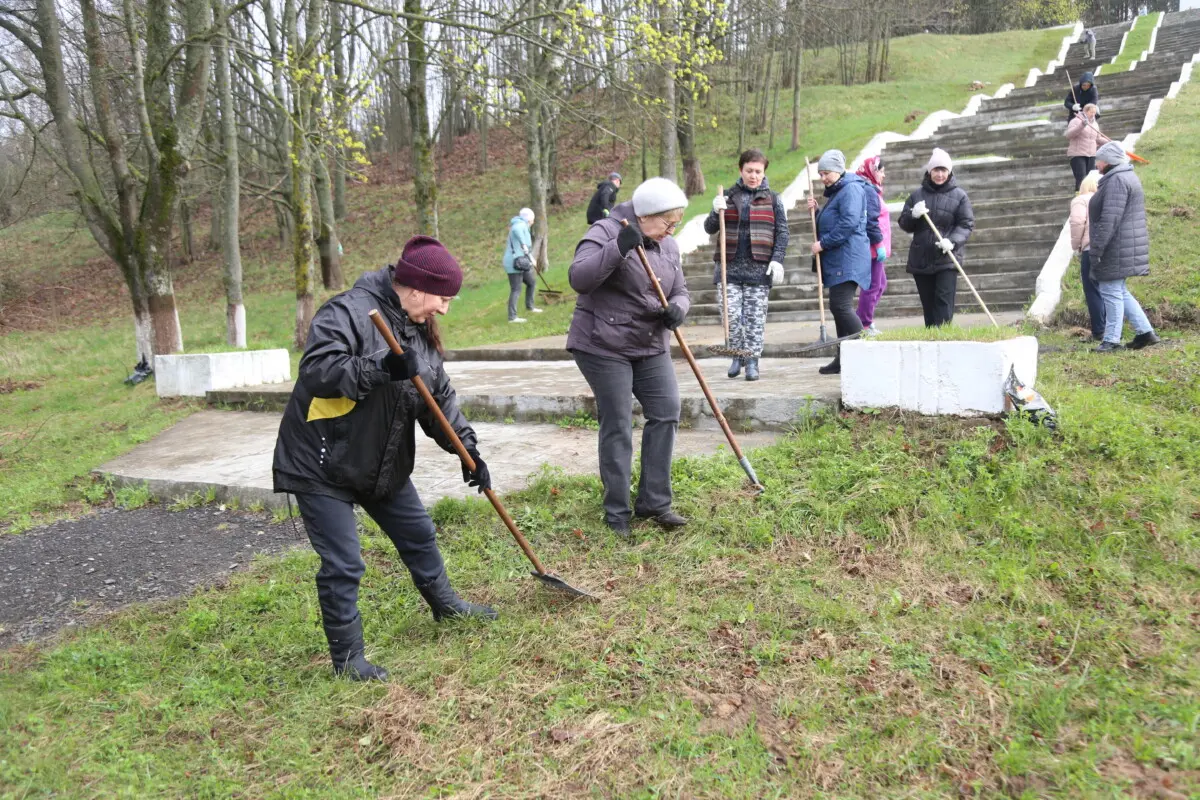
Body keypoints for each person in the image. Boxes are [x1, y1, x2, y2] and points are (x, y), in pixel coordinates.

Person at [273, 236, 497, 682]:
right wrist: (379, 369)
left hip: (381, 457)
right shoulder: (348, 313)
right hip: (321, 463)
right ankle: (348, 660)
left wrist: (467, 450)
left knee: (418, 532)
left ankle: (445, 606)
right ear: (415, 289)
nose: (445, 310)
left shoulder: (417, 329)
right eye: (443, 299)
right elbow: (317, 371)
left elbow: (440, 396)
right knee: (344, 561)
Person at [567, 177, 691, 537]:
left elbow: (680, 290)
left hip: (649, 342)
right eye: (668, 222)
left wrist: (679, 309)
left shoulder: (669, 247)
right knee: (619, 422)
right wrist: (619, 248)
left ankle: (654, 503)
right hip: (602, 344)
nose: (672, 230)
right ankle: (617, 513)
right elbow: (579, 277)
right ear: (646, 215)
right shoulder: (606, 231)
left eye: (676, 223)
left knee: (666, 411)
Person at [703, 148, 788, 381]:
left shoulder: (773, 198)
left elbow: (782, 232)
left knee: (754, 319)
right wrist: (714, 210)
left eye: (758, 171)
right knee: (730, 317)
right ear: (740, 170)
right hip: (728, 269)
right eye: (749, 170)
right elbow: (710, 228)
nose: (753, 175)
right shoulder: (728, 196)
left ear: (764, 173)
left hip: (759, 270)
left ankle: (752, 361)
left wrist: (777, 260)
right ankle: (737, 355)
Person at [1088, 141, 1160, 352]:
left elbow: (1110, 218)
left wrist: (1098, 247)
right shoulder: (1123, 175)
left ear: (1109, 161)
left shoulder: (1116, 180)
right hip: (1123, 244)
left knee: (1110, 290)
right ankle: (1145, 333)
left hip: (1115, 246)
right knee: (1119, 290)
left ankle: (1111, 340)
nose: (1097, 164)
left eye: (1099, 160)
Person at [805, 149, 872, 375]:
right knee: (838, 307)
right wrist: (816, 213)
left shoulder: (851, 188)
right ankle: (843, 358)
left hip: (849, 258)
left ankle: (866, 351)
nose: (823, 178)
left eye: (827, 173)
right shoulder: (838, 191)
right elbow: (830, 221)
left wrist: (823, 244)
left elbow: (848, 223)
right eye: (821, 174)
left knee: (841, 306)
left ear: (838, 170)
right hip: (839, 259)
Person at [897, 147, 975, 328]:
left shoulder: (960, 196)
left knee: (943, 303)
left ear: (949, 172)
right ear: (929, 171)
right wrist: (913, 215)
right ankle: (932, 341)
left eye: (943, 170)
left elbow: (966, 224)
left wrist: (953, 241)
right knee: (929, 306)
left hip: (947, 258)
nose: (940, 174)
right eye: (936, 170)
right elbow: (904, 223)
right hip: (921, 259)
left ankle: (944, 340)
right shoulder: (917, 195)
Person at [854, 156, 891, 334]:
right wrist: (878, 244)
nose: (883, 175)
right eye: (881, 171)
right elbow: (871, 221)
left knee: (881, 284)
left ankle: (861, 318)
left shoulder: (872, 189)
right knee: (873, 286)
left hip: (876, 247)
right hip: (872, 248)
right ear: (873, 170)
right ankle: (864, 324)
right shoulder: (868, 190)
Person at [1069, 170, 1107, 341]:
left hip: (1089, 249)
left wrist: (1075, 245)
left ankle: (1099, 330)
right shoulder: (1105, 199)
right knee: (1109, 290)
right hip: (1108, 248)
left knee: (1092, 290)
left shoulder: (1081, 200)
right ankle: (1113, 328)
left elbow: (1077, 222)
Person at [503, 207, 541, 323]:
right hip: (514, 262)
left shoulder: (523, 225)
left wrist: (531, 258)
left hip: (521, 262)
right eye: (532, 220)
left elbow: (526, 249)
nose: (533, 222)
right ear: (529, 219)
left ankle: (530, 306)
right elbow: (516, 231)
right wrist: (524, 244)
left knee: (531, 282)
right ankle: (512, 317)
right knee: (516, 289)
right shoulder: (520, 224)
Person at [1066, 103, 1101, 191]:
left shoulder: (1095, 124)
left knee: (1091, 178)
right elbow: (1069, 135)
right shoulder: (1075, 121)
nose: (1093, 114)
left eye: (1094, 112)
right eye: (1091, 112)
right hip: (1078, 154)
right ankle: (1079, 196)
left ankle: (1090, 198)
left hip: (1091, 154)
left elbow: (1098, 138)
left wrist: (1110, 142)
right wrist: (1082, 125)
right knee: (1081, 178)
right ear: (1085, 111)